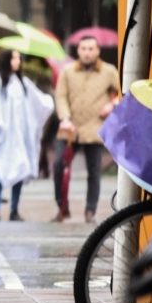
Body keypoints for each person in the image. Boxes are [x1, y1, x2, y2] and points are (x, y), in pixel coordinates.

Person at [0, 50, 55, 221]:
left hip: (20, 136)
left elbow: (38, 101)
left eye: (19, 58)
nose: (18, 61)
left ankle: (14, 209)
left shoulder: (23, 83)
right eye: (14, 58)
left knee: (19, 170)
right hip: (4, 137)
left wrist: (49, 101)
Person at [53, 35, 121, 223]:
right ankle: (62, 208)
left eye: (91, 49)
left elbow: (124, 92)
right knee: (59, 165)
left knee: (94, 172)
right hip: (70, 128)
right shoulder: (67, 71)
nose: (87, 52)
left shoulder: (109, 71)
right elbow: (60, 97)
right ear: (78, 50)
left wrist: (113, 104)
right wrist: (65, 118)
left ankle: (90, 211)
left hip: (95, 128)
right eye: (83, 49)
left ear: (98, 51)